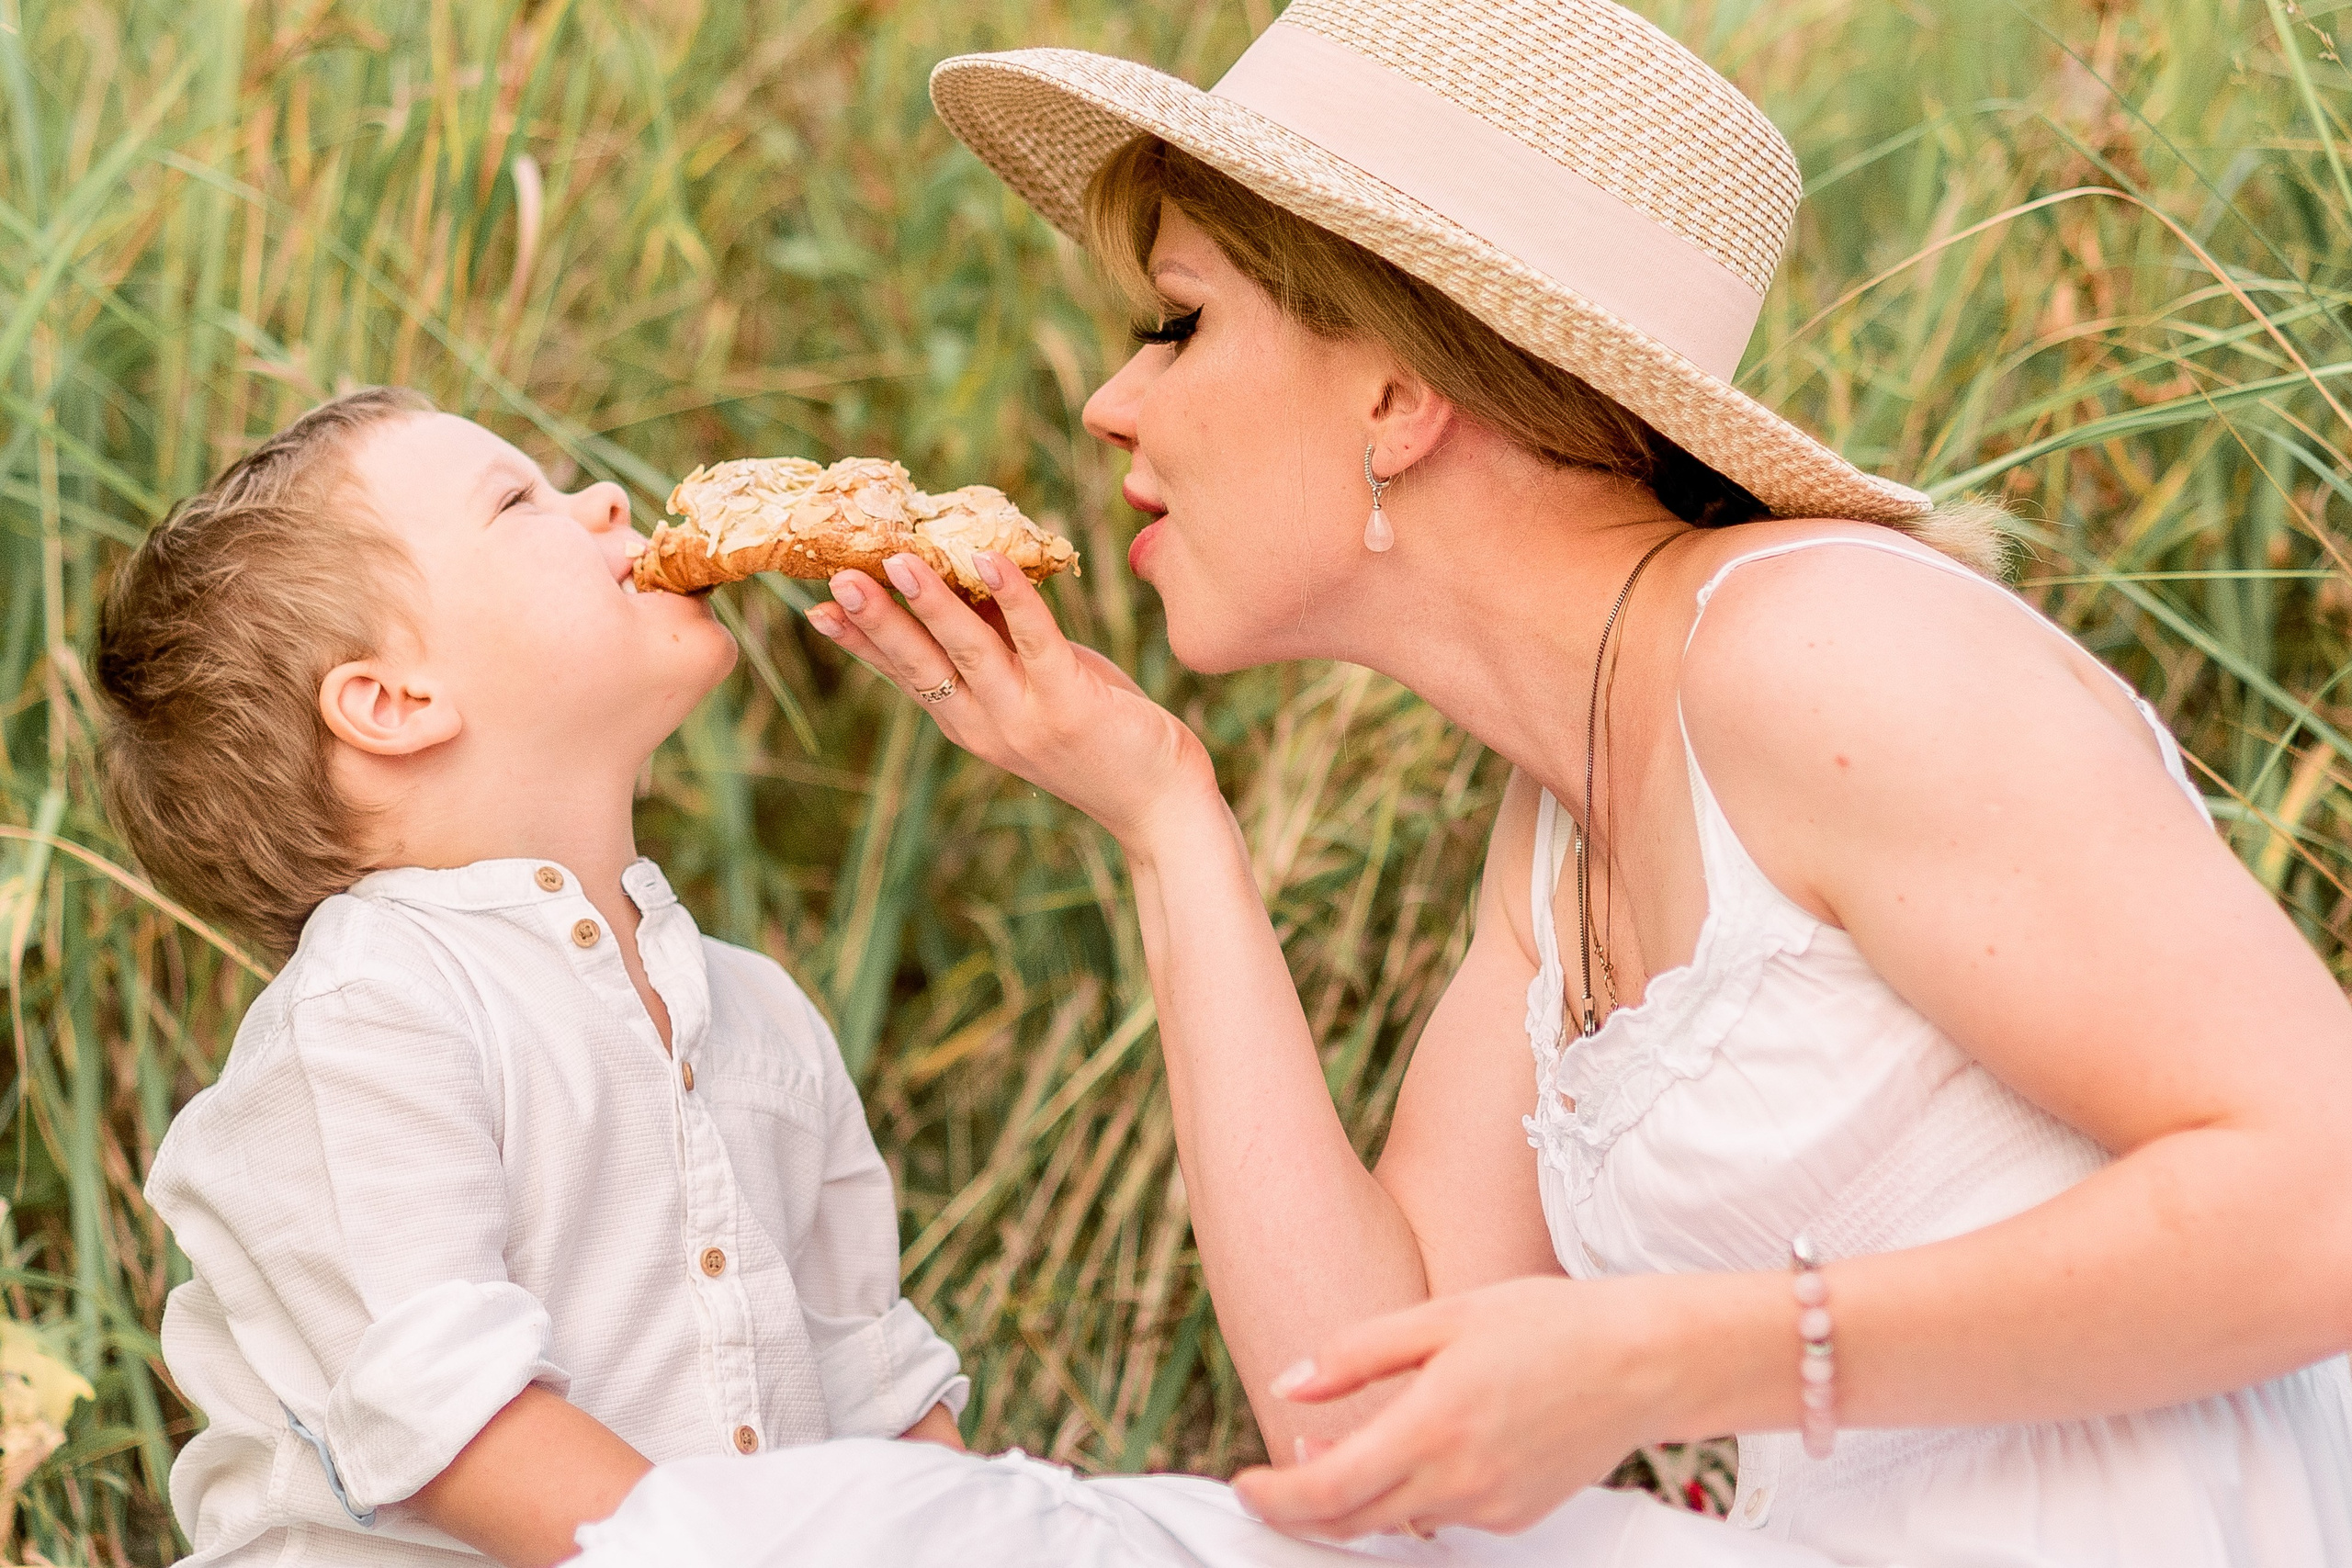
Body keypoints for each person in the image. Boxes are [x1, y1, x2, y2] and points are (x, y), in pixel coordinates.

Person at [790, 0, 2352, 1560]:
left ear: (1397, 393)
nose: (1108, 402)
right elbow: (1356, 1429)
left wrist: (1669, 1355)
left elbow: (2323, 1194)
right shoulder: (1560, 822)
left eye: (1179, 323)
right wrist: (1163, 814)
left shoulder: (1823, 653)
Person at [96, 389, 967, 1567]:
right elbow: (458, 1421)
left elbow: (870, 1387)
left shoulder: (759, 1014)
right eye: (520, 499)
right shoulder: (372, 1017)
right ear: (392, 703)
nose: (607, 498)